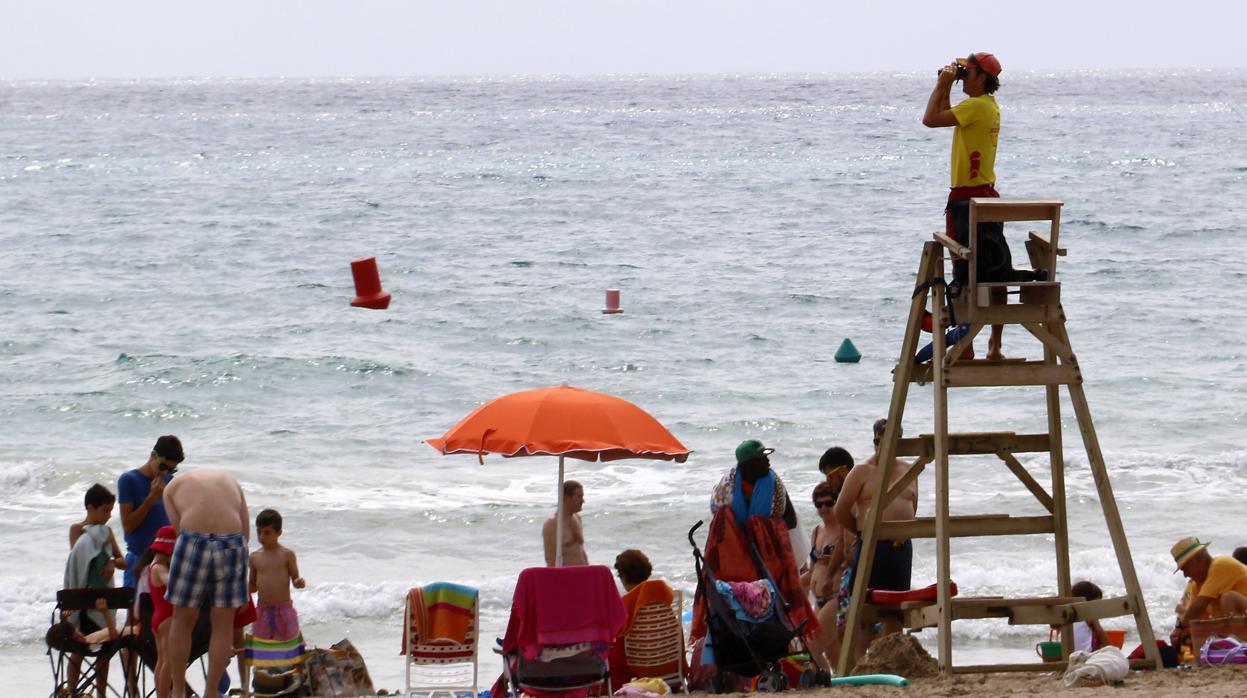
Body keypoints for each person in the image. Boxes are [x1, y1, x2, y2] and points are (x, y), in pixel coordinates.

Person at [922, 51, 1009, 360]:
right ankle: (994, 346)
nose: (961, 75)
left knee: (962, 270)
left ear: (981, 77)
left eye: (966, 71)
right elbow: (946, 111)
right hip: (987, 196)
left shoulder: (976, 106)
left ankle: (968, 345)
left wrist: (941, 82)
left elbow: (930, 119)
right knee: (996, 269)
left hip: (965, 200)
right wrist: (947, 84)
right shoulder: (987, 106)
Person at [832, 418, 919, 656]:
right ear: (875, 442)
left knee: (896, 609)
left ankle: (890, 659)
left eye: (897, 440)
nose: (891, 446)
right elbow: (841, 510)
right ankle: (860, 664)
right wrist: (862, 532)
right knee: (863, 610)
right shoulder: (862, 471)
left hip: (900, 547)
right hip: (872, 546)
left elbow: (913, 504)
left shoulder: (910, 469)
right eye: (884, 441)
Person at [163, 467, 249, 698]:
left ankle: (179, 691)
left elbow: (180, 530)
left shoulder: (171, 489)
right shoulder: (233, 482)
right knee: (222, 625)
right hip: (233, 542)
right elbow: (246, 534)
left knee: (182, 621)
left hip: (194, 539)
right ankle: (211, 692)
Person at [64, 483, 127, 698]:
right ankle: (72, 690)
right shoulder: (77, 530)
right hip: (83, 600)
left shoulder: (107, 532)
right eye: (105, 510)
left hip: (103, 600)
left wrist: (111, 561)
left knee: (105, 652)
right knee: (78, 650)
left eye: (111, 510)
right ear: (91, 508)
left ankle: (101, 693)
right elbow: (79, 560)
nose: (109, 515)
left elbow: (122, 561)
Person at [118, 435, 183, 589]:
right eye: (163, 467)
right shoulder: (129, 480)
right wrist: (152, 497)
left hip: (166, 560)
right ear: (153, 455)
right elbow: (128, 526)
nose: (165, 472)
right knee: (135, 609)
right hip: (139, 557)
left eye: (172, 469)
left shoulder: (170, 482)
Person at [804, 480, 850, 669]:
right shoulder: (817, 531)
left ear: (837, 502)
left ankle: (824, 684)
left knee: (812, 645)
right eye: (818, 504)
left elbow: (852, 560)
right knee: (832, 653)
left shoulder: (845, 530)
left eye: (828, 503)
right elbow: (812, 572)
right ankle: (844, 684)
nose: (823, 508)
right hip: (818, 601)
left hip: (836, 596)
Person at [249, 508, 305, 641]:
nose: (261, 537)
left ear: (279, 532)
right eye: (259, 532)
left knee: (287, 650)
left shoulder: (287, 555)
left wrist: (299, 582)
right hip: (262, 611)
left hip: (284, 610)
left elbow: (295, 580)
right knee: (263, 650)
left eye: (267, 533)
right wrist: (240, 593)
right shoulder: (254, 557)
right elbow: (253, 585)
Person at [1173, 537, 1247, 634]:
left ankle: (1237, 642)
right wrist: (1179, 635)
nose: (1185, 574)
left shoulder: (1221, 564)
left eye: (1186, 568)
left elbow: (1201, 604)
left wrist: (1180, 627)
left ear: (1198, 559)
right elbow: (1194, 618)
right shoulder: (1197, 586)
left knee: (1228, 598)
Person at [145, 526, 178, 698]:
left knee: (161, 660)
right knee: (168, 661)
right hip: (167, 617)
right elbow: (169, 582)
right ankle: (163, 695)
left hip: (157, 617)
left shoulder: (151, 566)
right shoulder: (161, 568)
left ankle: (161, 694)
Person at [543, 480, 588, 567]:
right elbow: (550, 559)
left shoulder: (577, 518)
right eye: (579, 497)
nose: (583, 501)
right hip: (566, 576)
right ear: (567, 498)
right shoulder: (552, 524)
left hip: (583, 574)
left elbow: (580, 550)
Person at [1065, 581, 1111, 651]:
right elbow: (1101, 636)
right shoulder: (1089, 615)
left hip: (1067, 654)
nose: (1098, 606)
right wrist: (1112, 651)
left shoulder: (1066, 615)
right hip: (1087, 655)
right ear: (1088, 602)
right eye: (1097, 603)